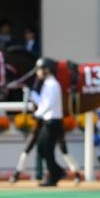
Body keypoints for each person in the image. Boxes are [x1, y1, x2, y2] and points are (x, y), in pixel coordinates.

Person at [32, 58, 65, 186]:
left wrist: (38, 114)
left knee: (47, 149)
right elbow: (43, 103)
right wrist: (32, 95)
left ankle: (54, 176)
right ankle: (57, 171)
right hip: (48, 121)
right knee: (42, 148)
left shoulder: (52, 84)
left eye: (39, 70)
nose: (38, 73)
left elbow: (49, 104)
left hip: (53, 122)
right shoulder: (47, 84)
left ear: (47, 70)